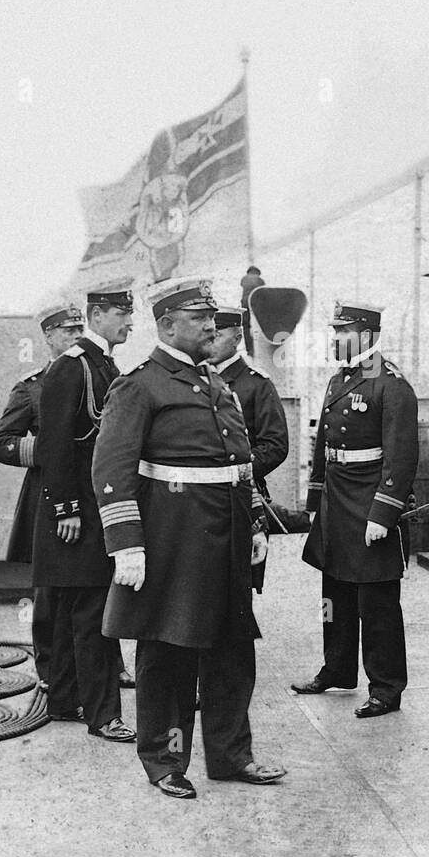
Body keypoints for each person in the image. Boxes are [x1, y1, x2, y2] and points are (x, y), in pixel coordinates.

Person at [95, 276, 284, 799]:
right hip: (172, 543)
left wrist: (255, 523)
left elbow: (238, 464)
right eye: (199, 318)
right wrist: (126, 545)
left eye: (212, 317)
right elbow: (111, 470)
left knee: (231, 651)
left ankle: (230, 756)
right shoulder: (139, 385)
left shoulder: (218, 385)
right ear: (166, 326)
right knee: (168, 655)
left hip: (225, 541)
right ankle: (166, 762)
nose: (210, 325)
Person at [293, 301, 418, 718]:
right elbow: (322, 447)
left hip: (368, 502)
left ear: (366, 336)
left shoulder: (391, 384)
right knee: (336, 593)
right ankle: (338, 668)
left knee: (377, 602)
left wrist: (383, 514)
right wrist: (315, 502)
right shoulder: (337, 381)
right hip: (336, 500)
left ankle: (385, 687)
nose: (334, 339)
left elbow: (400, 457)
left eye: (342, 331)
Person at [32, 286, 137, 744]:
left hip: (92, 509)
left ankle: (63, 701)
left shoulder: (103, 364)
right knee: (94, 614)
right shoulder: (71, 367)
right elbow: (54, 445)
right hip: (78, 514)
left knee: (74, 610)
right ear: (96, 315)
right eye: (120, 314)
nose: (128, 323)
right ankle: (103, 715)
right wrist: (66, 508)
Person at [0, 303, 84, 688]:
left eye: (80, 329)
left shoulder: (99, 378)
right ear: (48, 336)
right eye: (67, 331)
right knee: (49, 593)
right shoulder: (32, 387)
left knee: (95, 588)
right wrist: (47, 452)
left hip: (88, 496)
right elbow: (1, 443)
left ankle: (104, 667)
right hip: (47, 498)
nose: (77, 336)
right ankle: (50, 672)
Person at [210, 304, 290, 593]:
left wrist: (239, 470)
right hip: (202, 499)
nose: (210, 340)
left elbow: (276, 444)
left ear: (237, 339)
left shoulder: (256, 385)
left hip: (243, 498)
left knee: (237, 586)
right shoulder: (196, 380)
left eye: (217, 334)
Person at [239, 266, 266, 354]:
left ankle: (249, 349)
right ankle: (259, 348)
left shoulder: (244, 279)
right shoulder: (260, 280)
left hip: (245, 303)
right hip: (256, 303)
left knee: (246, 326)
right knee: (258, 326)